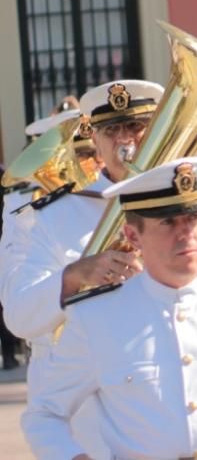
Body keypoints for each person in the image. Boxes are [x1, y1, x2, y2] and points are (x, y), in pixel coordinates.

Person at [21, 157, 197, 460]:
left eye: (193, 218)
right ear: (133, 236)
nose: (185, 232)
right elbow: (43, 413)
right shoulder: (95, 317)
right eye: (168, 222)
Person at [0, 79, 163, 459]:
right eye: (111, 130)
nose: (125, 139)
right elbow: (20, 317)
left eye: (136, 126)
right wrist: (74, 277)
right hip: (91, 412)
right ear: (97, 140)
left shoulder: (193, 210)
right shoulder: (53, 216)